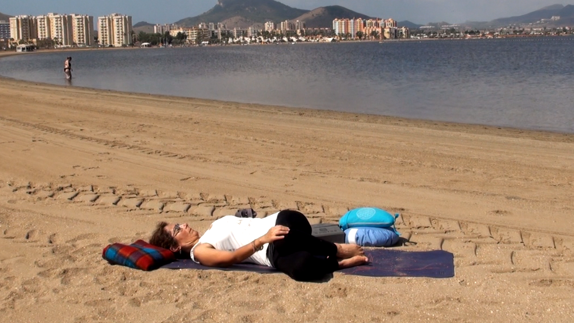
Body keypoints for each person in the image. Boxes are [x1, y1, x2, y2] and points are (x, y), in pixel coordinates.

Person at [150, 209, 368, 281]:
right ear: (175, 247)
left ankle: (336, 250)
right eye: (178, 229)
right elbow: (231, 259)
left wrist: (266, 232)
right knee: (300, 267)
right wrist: (262, 240)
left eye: (179, 223)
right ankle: (339, 264)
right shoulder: (199, 252)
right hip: (270, 251)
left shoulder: (210, 229)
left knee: (285, 235)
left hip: (283, 223)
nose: (185, 224)